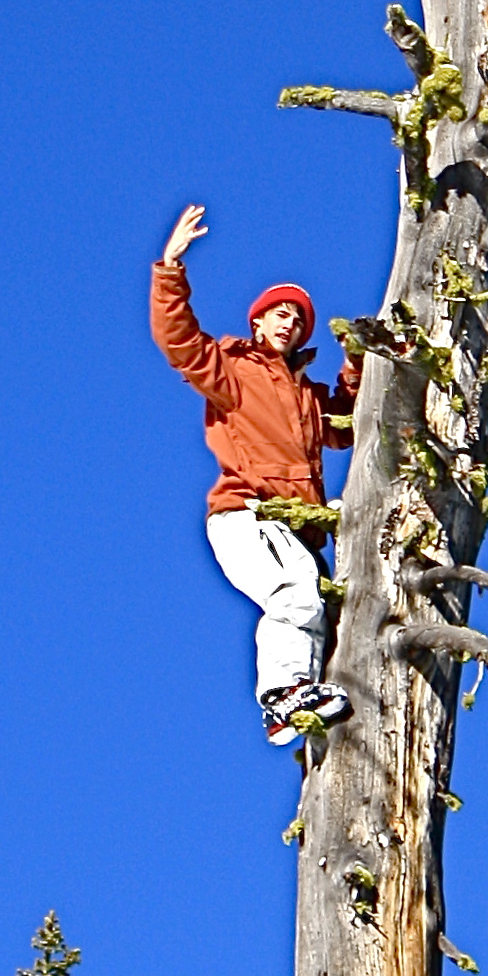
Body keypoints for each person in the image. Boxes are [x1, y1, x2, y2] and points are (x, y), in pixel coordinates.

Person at [151, 201, 360, 746]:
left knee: (324, 611)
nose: (290, 323)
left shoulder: (306, 396)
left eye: (299, 319)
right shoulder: (234, 368)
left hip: (295, 528)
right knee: (294, 594)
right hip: (246, 512)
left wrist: (360, 364)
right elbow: (179, 342)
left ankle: (306, 700)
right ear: (259, 319)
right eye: (281, 313)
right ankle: (283, 693)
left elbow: (347, 425)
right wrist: (170, 268)